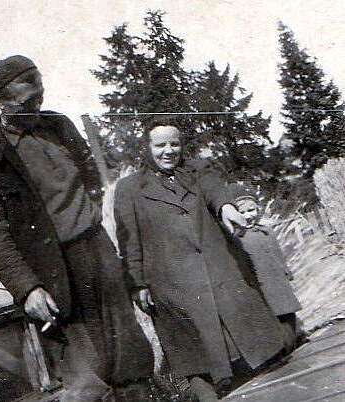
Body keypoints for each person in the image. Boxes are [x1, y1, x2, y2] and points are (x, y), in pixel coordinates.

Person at [0, 55, 154, 402]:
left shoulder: (59, 126)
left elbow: (89, 178)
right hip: (53, 272)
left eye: (40, 97)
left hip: (98, 253)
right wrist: (27, 288)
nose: (36, 107)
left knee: (130, 360)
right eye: (25, 103)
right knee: (87, 379)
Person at [114, 124, 288, 401]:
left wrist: (226, 207)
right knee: (195, 355)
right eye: (160, 145)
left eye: (174, 144)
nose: (169, 151)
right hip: (170, 283)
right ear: (147, 148)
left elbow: (214, 191)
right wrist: (138, 283)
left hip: (217, 268)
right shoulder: (129, 189)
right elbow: (129, 240)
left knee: (258, 347)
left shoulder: (198, 170)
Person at [229, 184, 302, 351]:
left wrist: (285, 270)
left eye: (251, 210)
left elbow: (277, 253)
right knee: (272, 320)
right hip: (261, 287)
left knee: (288, 313)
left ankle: (292, 345)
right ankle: (282, 350)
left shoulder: (266, 231)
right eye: (242, 212)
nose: (248, 216)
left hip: (279, 283)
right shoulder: (237, 240)